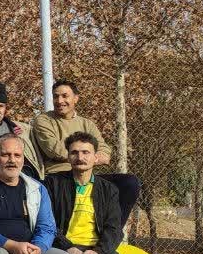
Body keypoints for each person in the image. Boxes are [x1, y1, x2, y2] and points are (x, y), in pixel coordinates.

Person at [31, 79, 140, 221]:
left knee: (129, 183)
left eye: (65, 96)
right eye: (56, 96)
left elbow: (104, 150)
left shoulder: (87, 124)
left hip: (87, 177)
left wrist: (85, 160)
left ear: (76, 98)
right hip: (59, 177)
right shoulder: (44, 120)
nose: (59, 101)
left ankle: (114, 230)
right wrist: (88, 158)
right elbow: (55, 150)